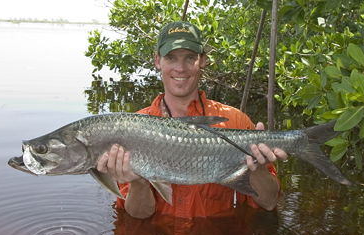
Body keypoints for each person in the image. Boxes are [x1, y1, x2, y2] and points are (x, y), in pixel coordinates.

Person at [97, 21, 287, 219]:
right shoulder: (132, 129)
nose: (180, 68)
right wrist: (138, 181)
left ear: (202, 60)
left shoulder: (236, 121)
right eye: (171, 58)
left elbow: (269, 203)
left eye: (189, 58)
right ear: (158, 61)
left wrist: (258, 170)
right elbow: (139, 215)